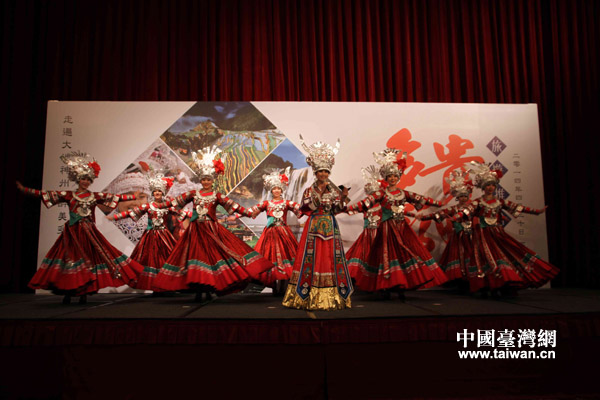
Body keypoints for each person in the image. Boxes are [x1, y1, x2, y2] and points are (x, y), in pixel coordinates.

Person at [16, 151, 143, 304]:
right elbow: (45, 194)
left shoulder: (94, 196)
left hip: (90, 234)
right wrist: (25, 190)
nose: (85, 182)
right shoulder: (69, 195)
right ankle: (68, 293)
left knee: (91, 261)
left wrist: (134, 196)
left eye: (88, 179)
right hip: (72, 234)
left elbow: (116, 197)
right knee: (70, 261)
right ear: (78, 179)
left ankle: (85, 293)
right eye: (83, 179)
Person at [152, 146, 273, 301]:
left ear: (212, 180)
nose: (206, 182)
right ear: (200, 180)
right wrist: (158, 206)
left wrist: (249, 213)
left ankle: (209, 288)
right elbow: (175, 202)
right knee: (195, 257)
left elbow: (234, 206)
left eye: (208, 179)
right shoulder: (193, 194)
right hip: (195, 231)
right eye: (203, 179)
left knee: (211, 258)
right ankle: (199, 290)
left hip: (211, 231)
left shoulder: (217, 196)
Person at [346, 148, 448, 299]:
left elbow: (421, 199)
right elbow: (366, 203)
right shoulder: (381, 193)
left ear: (398, 177)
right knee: (385, 255)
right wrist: (345, 208)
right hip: (386, 229)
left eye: (395, 176)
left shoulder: (403, 193)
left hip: (401, 229)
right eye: (390, 176)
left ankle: (401, 284)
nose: (393, 178)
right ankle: (385, 286)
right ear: (386, 178)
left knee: (404, 254)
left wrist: (439, 204)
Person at [282, 137, 353, 310]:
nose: (324, 175)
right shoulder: (309, 190)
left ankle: (334, 296)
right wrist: (319, 196)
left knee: (331, 258)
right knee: (311, 258)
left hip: (330, 225)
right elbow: (305, 207)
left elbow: (337, 210)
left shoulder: (334, 191)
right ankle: (307, 295)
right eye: (321, 171)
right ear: (315, 172)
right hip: (314, 225)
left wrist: (342, 198)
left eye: (326, 172)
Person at [467, 161, 558, 296]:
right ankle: (488, 285)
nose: (491, 187)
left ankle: (506, 283)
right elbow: (465, 212)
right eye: (488, 185)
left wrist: (536, 212)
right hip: (483, 235)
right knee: (486, 258)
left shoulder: (500, 202)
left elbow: (518, 207)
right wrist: (456, 217)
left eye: (493, 185)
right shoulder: (478, 202)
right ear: (483, 187)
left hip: (497, 234)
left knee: (507, 254)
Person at [108, 172, 181, 291]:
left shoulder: (167, 206)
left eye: (159, 191)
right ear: (152, 193)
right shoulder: (147, 206)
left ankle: (166, 285)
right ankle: (154, 285)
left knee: (167, 258)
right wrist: (115, 217)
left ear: (163, 193)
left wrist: (193, 216)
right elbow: (131, 213)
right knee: (150, 260)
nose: (157, 193)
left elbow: (180, 214)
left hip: (164, 236)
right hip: (151, 236)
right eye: (155, 191)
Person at [420, 170, 481, 293]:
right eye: (461, 196)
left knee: (472, 255)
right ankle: (459, 279)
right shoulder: (454, 209)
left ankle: (473, 279)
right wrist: (424, 217)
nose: (463, 198)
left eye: (465, 196)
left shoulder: (472, 207)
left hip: (471, 236)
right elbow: (439, 214)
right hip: (458, 237)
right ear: (457, 198)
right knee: (457, 256)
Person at [345, 165, 383, 281]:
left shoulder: (384, 204)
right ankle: (362, 279)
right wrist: (338, 209)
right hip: (367, 235)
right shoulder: (365, 205)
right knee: (363, 255)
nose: (373, 197)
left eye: (375, 194)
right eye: (371, 194)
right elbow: (350, 209)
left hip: (381, 235)